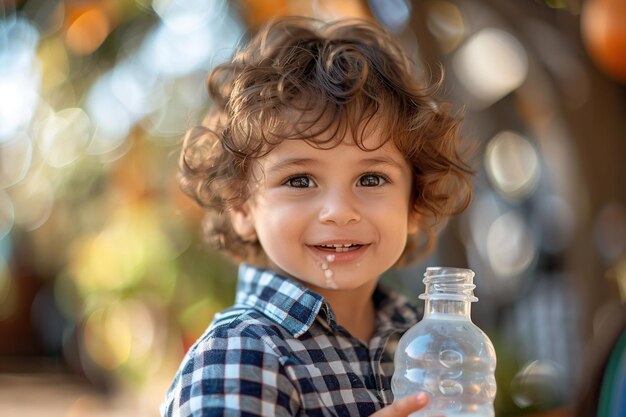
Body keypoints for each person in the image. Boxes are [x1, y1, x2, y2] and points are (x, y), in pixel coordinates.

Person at [161, 16, 473, 417]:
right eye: (300, 180)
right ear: (240, 206)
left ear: (415, 203)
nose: (340, 211)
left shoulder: (421, 341)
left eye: (372, 177)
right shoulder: (240, 354)